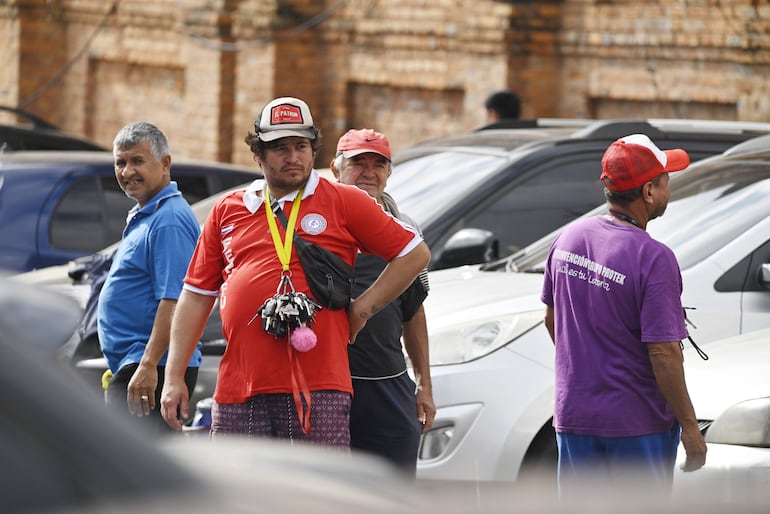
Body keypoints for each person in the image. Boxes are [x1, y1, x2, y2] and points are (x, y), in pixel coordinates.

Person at [160, 97, 431, 449]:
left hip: (320, 389)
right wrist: (173, 375)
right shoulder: (229, 209)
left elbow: (413, 254)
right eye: (280, 149)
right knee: (237, 498)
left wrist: (361, 309)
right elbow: (196, 295)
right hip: (239, 387)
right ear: (258, 155)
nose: (293, 157)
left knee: (315, 496)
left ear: (314, 150)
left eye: (301, 146)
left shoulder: (343, 200)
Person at [540, 133, 707, 493]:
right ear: (648, 192)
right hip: (636, 425)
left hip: (574, 417)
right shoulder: (654, 257)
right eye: (665, 181)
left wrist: (591, 366)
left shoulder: (568, 238)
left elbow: (552, 320)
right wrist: (691, 430)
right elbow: (664, 354)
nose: (668, 189)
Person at [330, 128, 435, 475]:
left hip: (384, 382)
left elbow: (413, 312)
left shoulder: (405, 229)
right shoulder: (313, 225)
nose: (369, 172)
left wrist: (424, 384)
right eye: (358, 163)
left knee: (393, 490)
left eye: (379, 164)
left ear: (389, 174)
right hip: (326, 385)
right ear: (336, 168)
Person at [98, 121, 202, 433]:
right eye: (121, 162)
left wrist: (147, 366)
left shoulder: (168, 220)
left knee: (128, 472)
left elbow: (174, 300)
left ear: (165, 163)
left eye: (137, 161)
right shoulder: (150, 212)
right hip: (138, 362)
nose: (127, 171)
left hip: (150, 366)